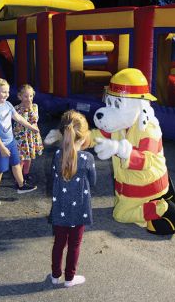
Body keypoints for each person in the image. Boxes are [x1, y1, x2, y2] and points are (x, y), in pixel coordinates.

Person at [49, 110, 96, 287]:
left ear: (63, 134)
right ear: (83, 137)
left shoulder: (57, 156)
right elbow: (93, 181)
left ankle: (55, 276)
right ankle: (70, 278)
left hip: (60, 206)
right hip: (80, 209)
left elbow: (54, 176)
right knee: (74, 244)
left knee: (59, 243)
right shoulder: (88, 158)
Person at [0, 77, 39, 206]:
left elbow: (18, 117)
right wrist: (2, 148)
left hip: (11, 141)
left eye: (7, 92)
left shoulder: (7, 105)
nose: (6, 94)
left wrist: (31, 127)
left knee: (16, 163)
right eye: (3, 92)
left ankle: (21, 185)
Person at [13, 84, 43, 189]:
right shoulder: (16, 108)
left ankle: (26, 173)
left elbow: (34, 120)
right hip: (21, 138)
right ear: (20, 97)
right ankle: (19, 178)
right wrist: (24, 109)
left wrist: (29, 108)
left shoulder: (34, 107)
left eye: (30, 96)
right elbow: (20, 120)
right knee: (21, 158)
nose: (28, 99)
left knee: (29, 156)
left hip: (30, 136)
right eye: (25, 96)